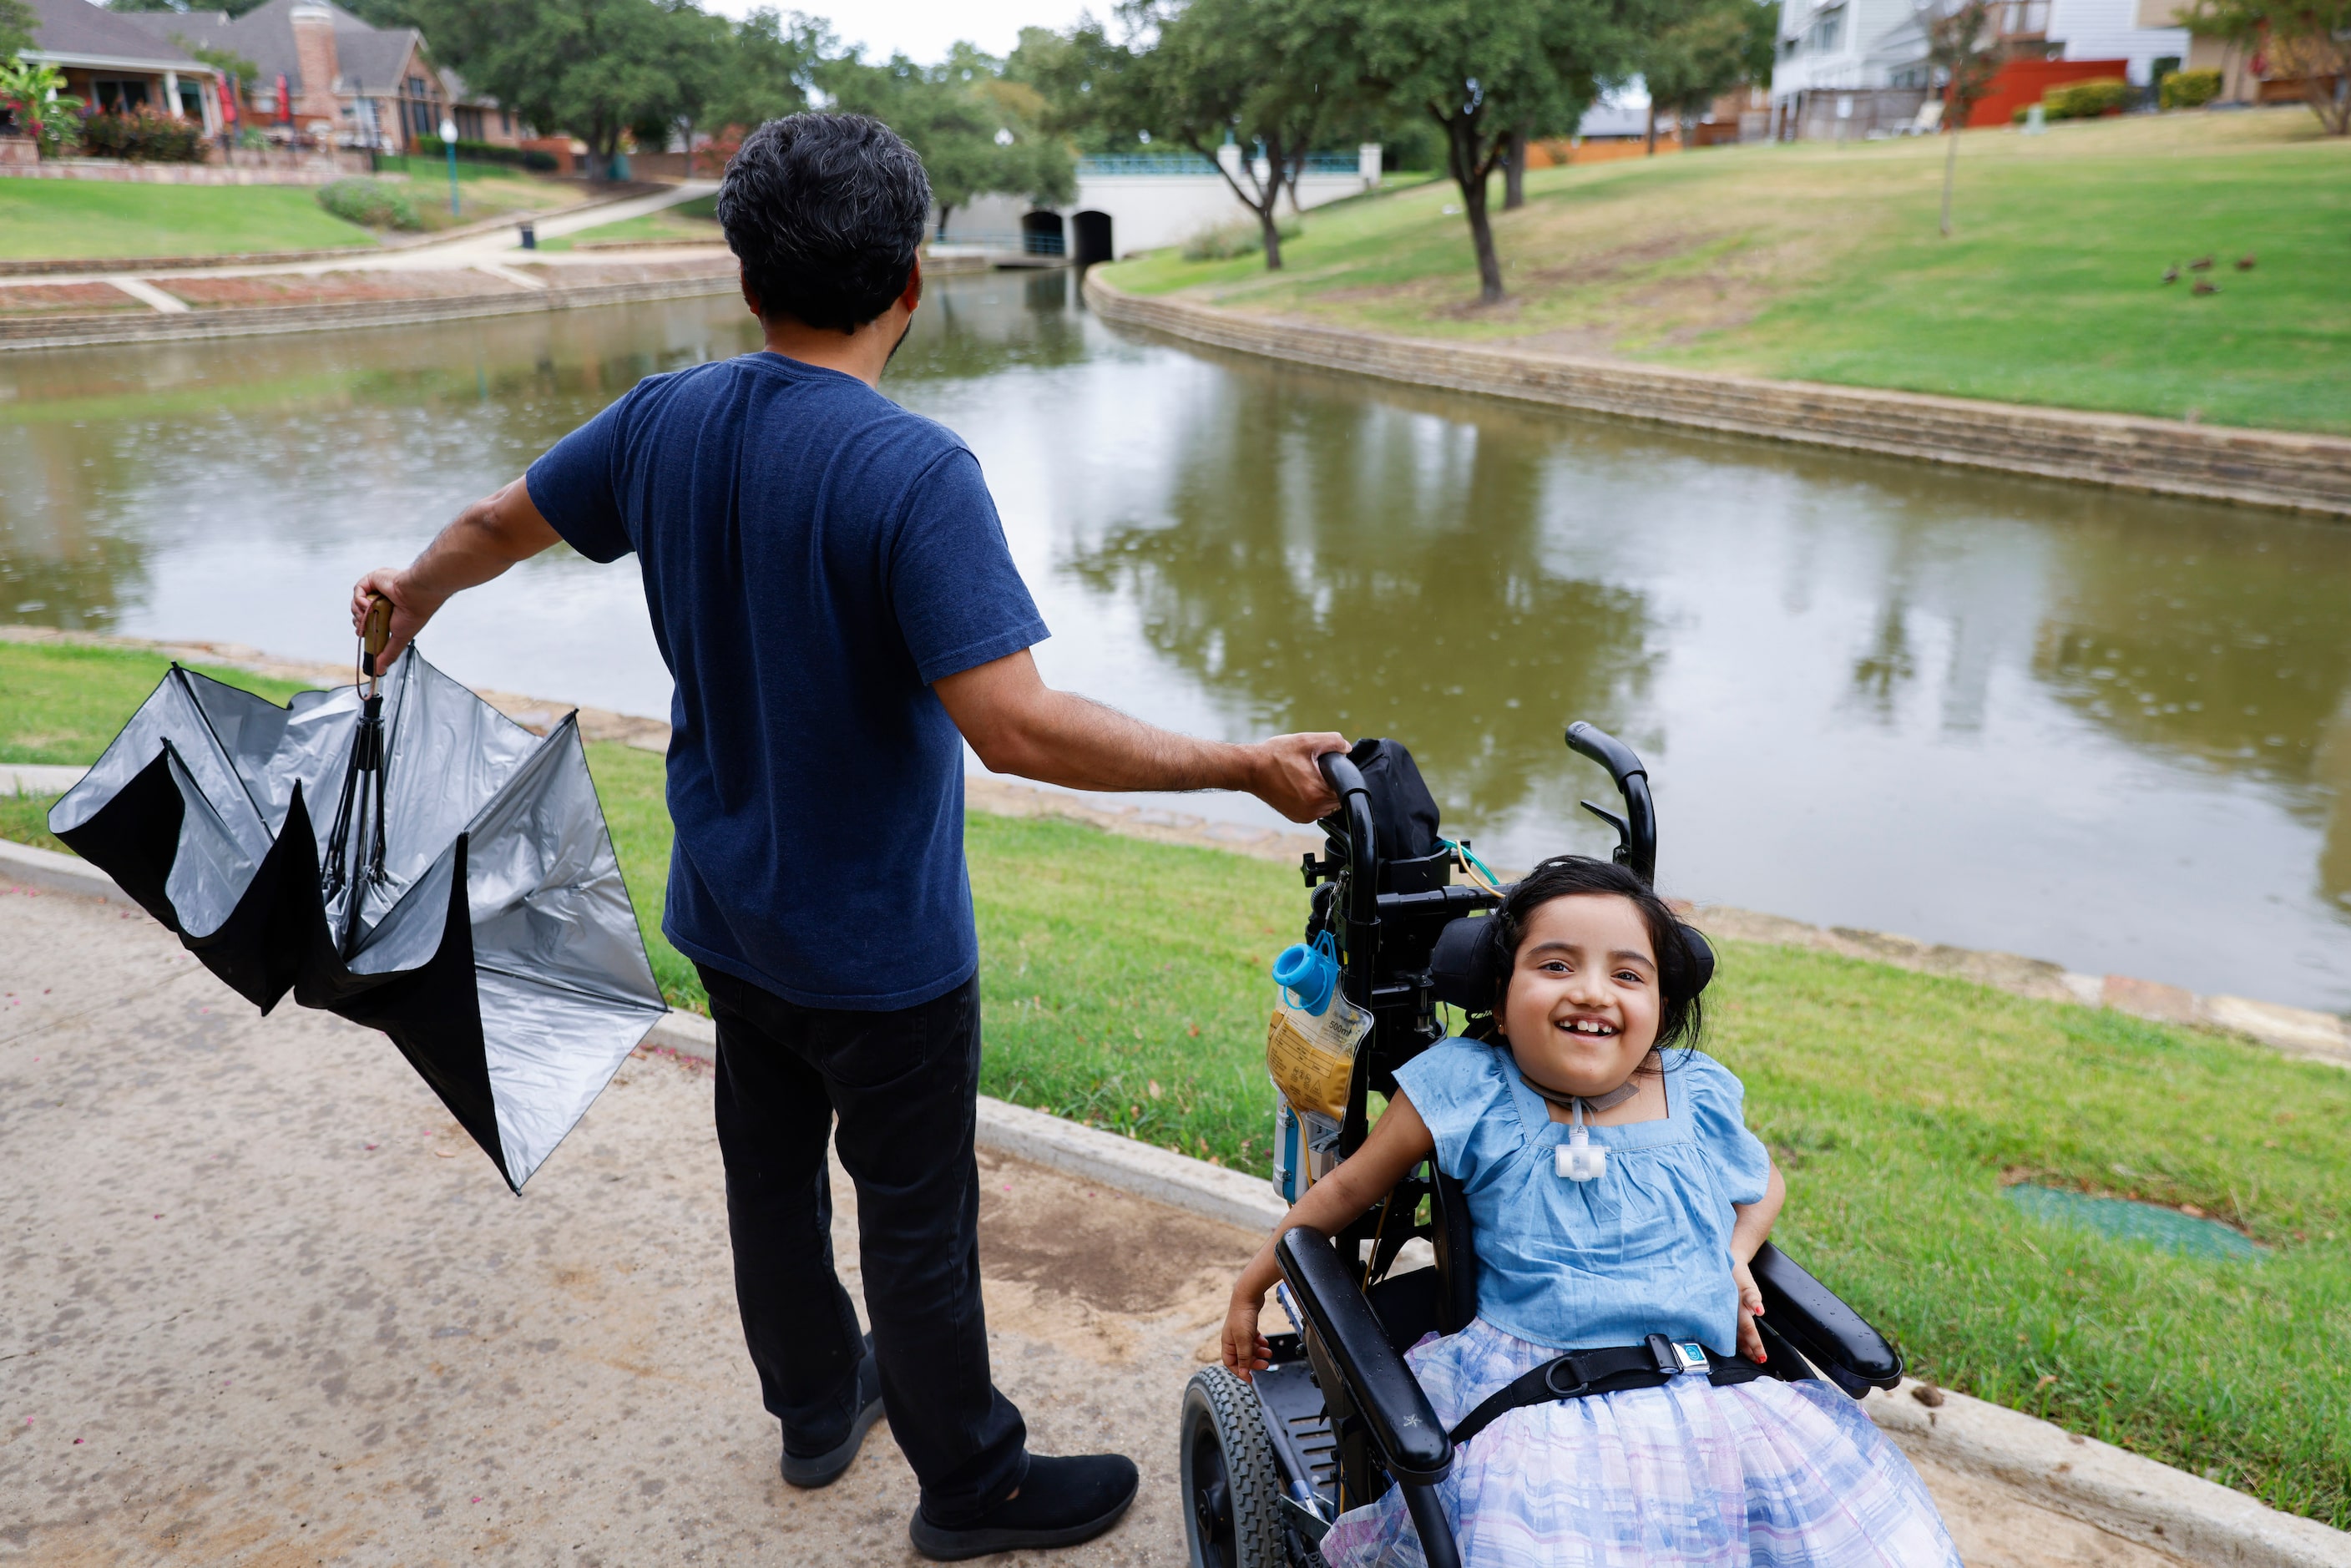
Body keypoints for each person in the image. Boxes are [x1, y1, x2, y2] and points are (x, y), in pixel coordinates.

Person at [350, 112, 1347, 1561]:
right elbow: (1015, 724)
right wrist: (1239, 762)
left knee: (768, 1180)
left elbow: (494, 521)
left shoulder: (659, 419)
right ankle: (973, 1483)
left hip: (730, 913)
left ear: (746, 272)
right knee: (917, 1222)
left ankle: (818, 1406)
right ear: (912, 283)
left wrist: (414, 597)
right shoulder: (914, 473)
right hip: (884, 955)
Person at [1222, 857, 1962, 1566]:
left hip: (1717, 1402)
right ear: (1502, 1005)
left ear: (1661, 1008)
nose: (1592, 992)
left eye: (1628, 974)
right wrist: (1251, 1286)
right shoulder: (1468, 1086)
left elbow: (1762, 1182)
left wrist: (1734, 1254)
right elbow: (1345, 1192)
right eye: (1554, 966)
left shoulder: (1693, 1091)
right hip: (1543, 1409)